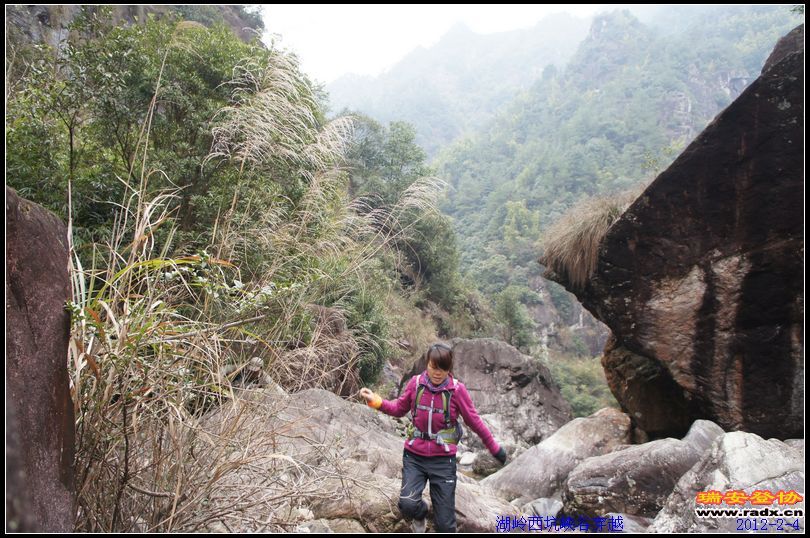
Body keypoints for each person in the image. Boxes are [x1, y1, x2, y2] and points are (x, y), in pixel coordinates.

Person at [360, 343, 507, 533]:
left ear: (449, 368)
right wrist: (376, 401)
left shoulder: (456, 391)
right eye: (433, 367)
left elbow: (475, 421)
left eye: (443, 368)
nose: (438, 373)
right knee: (408, 504)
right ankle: (421, 512)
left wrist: (494, 448)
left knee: (445, 525)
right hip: (415, 457)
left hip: (443, 461)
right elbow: (398, 409)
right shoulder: (416, 384)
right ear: (427, 364)